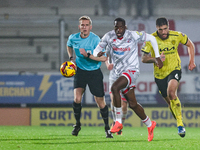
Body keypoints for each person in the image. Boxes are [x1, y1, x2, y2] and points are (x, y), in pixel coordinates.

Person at [80, 17, 163, 141]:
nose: (118, 30)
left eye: (121, 27)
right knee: (133, 104)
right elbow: (97, 48)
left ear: (125, 27)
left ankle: (118, 122)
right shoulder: (109, 36)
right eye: (116, 27)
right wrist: (97, 53)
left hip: (132, 70)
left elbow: (151, 38)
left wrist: (157, 57)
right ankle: (150, 125)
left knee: (115, 88)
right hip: (119, 72)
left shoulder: (133, 35)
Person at [141, 17, 196, 138]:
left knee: (171, 93)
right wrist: (156, 59)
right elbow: (143, 58)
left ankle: (180, 124)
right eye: (161, 30)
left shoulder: (177, 35)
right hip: (159, 75)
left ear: (168, 27)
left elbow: (190, 45)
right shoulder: (151, 39)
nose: (164, 32)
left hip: (174, 69)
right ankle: (178, 121)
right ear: (157, 28)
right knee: (170, 103)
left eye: (165, 29)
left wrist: (192, 61)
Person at [66, 15, 113, 138]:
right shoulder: (73, 38)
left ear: (90, 27)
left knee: (100, 102)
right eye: (82, 25)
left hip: (94, 72)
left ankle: (107, 128)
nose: (84, 27)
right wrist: (71, 58)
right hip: (80, 71)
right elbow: (69, 45)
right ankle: (77, 125)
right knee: (77, 98)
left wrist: (88, 56)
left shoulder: (96, 40)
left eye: (87, 25)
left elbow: (104, 58)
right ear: (79, 26)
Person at [105, 53, 128, 135]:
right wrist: (108, 64)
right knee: (114, 99)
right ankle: (116, 122)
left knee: (124, 105)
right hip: (114, 77)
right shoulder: (111, 42)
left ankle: (120, 125)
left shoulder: (130, 43)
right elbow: (106, 55)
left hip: (126, 76)